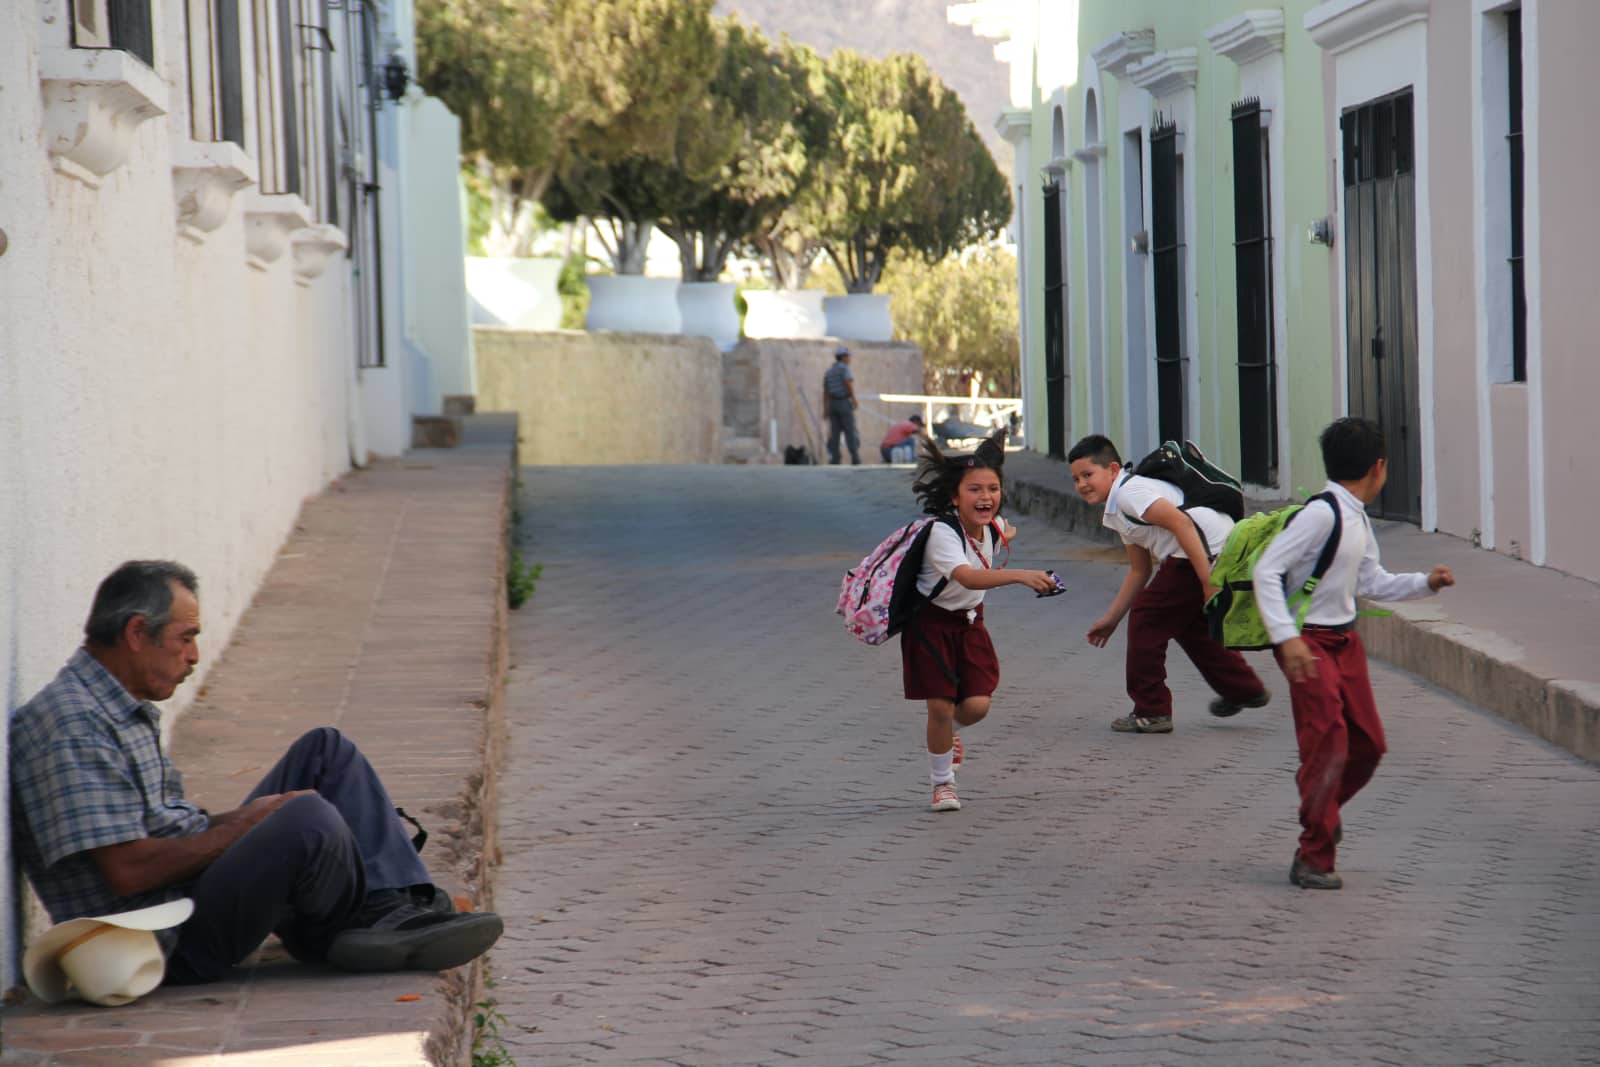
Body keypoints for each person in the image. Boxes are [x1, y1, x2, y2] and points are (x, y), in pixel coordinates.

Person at [9, 560, 504, 991]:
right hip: (162, 941)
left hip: (187, 892)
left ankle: (388, 907)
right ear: (138, 633)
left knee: (325, 751)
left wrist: (245, 820)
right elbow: (128, 873)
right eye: (185, 640)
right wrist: (248, 825)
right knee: (307, 818)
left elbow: (167, 835)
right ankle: (359, 924)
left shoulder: (112, 705)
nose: (194, 656)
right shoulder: (72, 725)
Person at [1252, 418, 1454, 890]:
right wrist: (1287, 637)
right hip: (1309, 646)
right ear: (1378, 467)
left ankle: (1323, 811)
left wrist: (1425, 583)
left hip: (1345, 641)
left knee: (1368, 744)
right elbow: (1267, 570)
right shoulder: (1322, 514)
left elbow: (1371, 581)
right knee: (1328, 746)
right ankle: (1312, 857)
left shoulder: (1354, 516)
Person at [1067, 434, 1270, 734]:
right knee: (1190, 627)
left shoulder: (1129, 494)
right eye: (1076, 479)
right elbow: (1139, 570)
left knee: (1146, 620)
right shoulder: (1119, 507)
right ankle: (1243, 688)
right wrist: (1110, 620)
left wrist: (1207, 581)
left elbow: (1181, 523)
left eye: (1088, 474)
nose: (1082, 484)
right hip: (1206, 547)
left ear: (1112, 469)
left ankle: (1152, 710)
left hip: (1199, 550)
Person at [904, 432, 1057, 812]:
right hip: (930, 626)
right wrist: (1021, 575)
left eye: (993, 488)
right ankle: (943, 784)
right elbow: (968, 577)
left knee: (976, 706)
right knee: (939, 707)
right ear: (955, 497)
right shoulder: (943, 533)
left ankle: (948, 733)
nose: (985, 496)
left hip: (971, 624)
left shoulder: (992, 525)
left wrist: (1006, 533)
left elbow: (1002, 530)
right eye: (974, 489)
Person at [822, 345, 861, 465]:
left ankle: (835, 459)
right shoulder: (844, 368)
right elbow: (847, 383)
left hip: (833, 404)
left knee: (835, 433)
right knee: (850, 430)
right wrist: (854, 399)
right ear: (843, 357)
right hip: (843, 402)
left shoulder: (829, 371)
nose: (849, 359)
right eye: (848, 356)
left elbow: (826, 392)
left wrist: (826, 409)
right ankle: (855, 458)